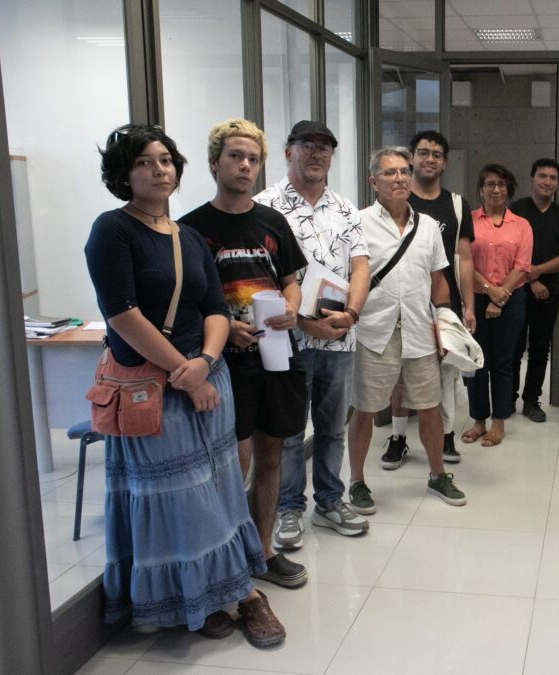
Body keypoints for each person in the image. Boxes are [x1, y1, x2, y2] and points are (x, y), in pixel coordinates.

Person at [85, 123, 284, 648]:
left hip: (206, 380)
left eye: (167, 160)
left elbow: (214, 307)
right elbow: (122, 315)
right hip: (154, 389)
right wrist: (184, 371)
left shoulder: (188, 237)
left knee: (218, 493)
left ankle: (234, 590)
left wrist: (206, 361)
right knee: (177, 501)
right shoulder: (112, 230)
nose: (160, 170)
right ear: (124, 174)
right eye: (146, 162)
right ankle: (200, 597)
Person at [180, 118, 309, 590]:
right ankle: (229, 555)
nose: (245, 165)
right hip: (223, 365)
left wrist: (292, 310)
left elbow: (291, 280)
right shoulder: (190, 229)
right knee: (232, 459)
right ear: (215, 163)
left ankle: (264, 548)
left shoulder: (272, 222)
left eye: (253, 158)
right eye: (235, 156)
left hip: (274, 357)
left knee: (272, 452)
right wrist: (222, 328)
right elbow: (185, 303)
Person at [255, 120, 370, 546]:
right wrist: (306, 321)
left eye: (325, 148)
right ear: (289, 153)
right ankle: (287, 509)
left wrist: (352, 313)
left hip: (340, 338)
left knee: (333, 426)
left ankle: (329, 501)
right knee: (286, 430)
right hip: (289, 340)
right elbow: (263, 279)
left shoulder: (345, 208)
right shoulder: (265, 207)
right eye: (308, 146)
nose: (318, 154)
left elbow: (361, 265)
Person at [345, 147, 467, 514]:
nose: (399, 178)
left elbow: (439, 282)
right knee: (365, 410)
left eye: (404, 172)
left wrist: (445, 323)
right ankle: (356, 481)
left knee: (430, 407)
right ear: (373, 182)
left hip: (418, 329)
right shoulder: (358, 222)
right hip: (374, 330)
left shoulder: (427, 226)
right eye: (389, 173)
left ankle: (437, 474)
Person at [382, 130, 476, 468]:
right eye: (423, 152)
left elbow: (465, 258)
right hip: (398, 304)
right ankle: (397, 438)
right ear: (411, 158)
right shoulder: (396, 200)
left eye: (437, 154)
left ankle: (446, 434)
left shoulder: (456, 204)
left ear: (445, 163)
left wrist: (468, 307)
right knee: (397, 375)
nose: (430, 159)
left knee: (445, 372)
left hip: (441, 302)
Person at [461, 164, 533, 447]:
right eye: (490, 184)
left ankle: (499, 421)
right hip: (475, 298)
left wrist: (500, 296)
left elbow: (522, 265)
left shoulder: (522, 225)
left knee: (503, 363)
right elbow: (463, 261)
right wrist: (490, 292)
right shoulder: (468, 221)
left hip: (512, 298)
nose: (496, 189)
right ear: (480, 189)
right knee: (477, 362)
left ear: (509, 190)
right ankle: (478, 421)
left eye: (502, 184)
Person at [509, 158, 559, 423]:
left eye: (552, 178)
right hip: (515, 288)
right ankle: (507, 397)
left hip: (550, 292)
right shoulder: (516, 210)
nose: (548, 182)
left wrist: (538, 272)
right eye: (542, 176)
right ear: (532, 179)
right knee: (513, 346)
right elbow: (510, 251)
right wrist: (531, 279)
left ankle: (531, 400)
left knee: (540, 347)